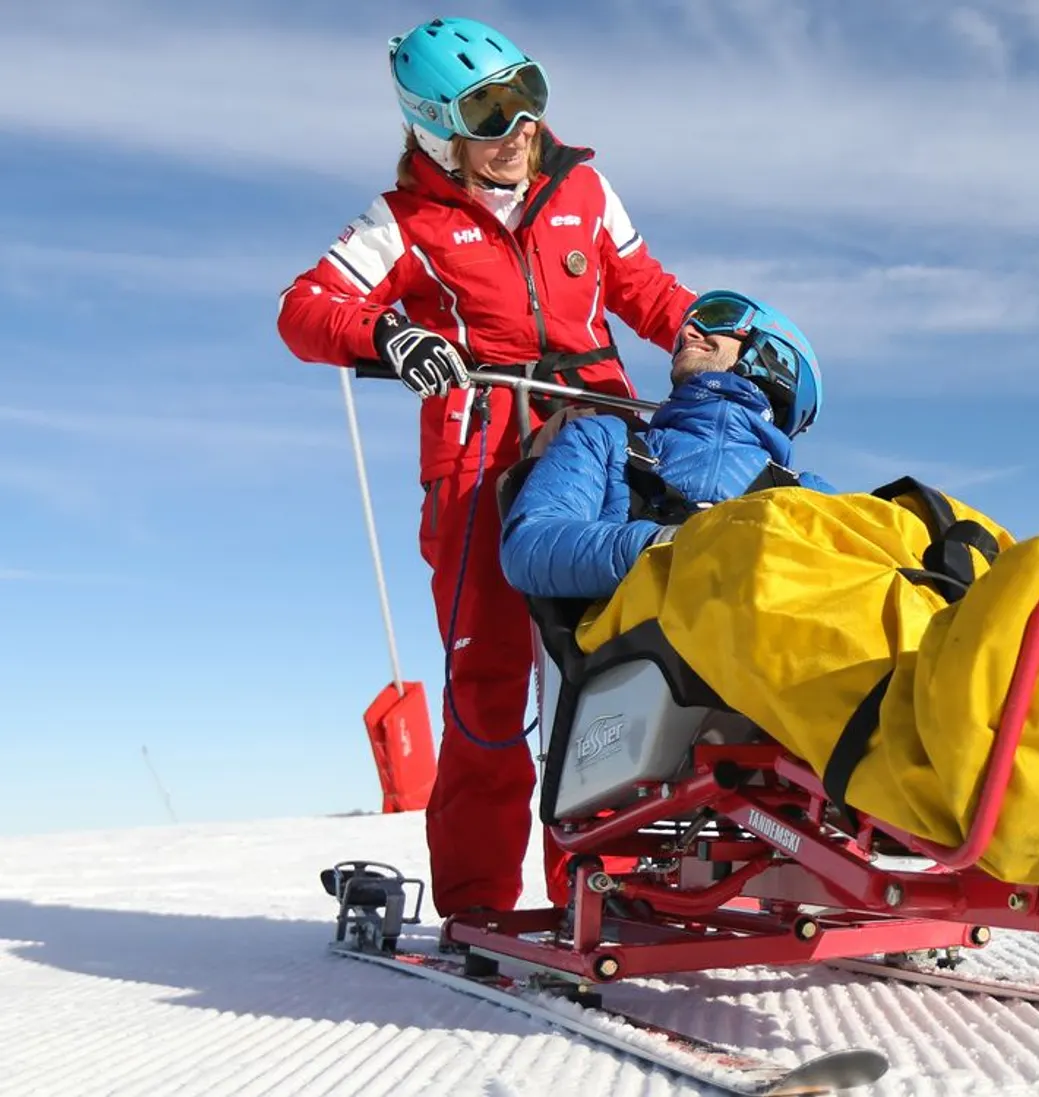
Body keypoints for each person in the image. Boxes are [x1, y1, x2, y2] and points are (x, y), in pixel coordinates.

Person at [274, 16, 698, 915]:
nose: (519, 129)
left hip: (599, 439)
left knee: (616, 665)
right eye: (490, 111)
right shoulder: (404, 221)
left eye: (528, 98)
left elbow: (647, 291)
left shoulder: (581, 188)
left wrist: (716, 335)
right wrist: (388, 331)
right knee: (491, 677)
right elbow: (305, 309)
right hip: (481, 458)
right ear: (435, 127)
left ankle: (601, 886)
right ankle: (480, 905)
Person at [500, 290, 832, 601]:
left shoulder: (806, 493)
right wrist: (666, 547)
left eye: (717, 316)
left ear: (778, 356)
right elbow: (531, 546)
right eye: (685, 327)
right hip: (640, 651)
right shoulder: (604, 441)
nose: (687, 332)